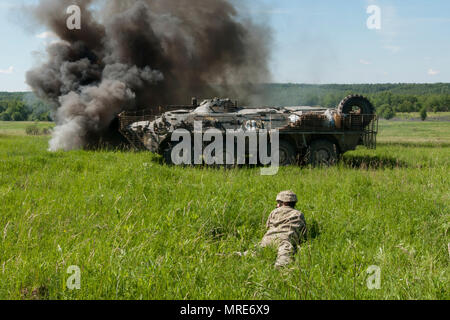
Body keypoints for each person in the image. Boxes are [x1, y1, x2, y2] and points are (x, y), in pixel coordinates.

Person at [260, 191, 307, 268]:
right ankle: (281, 264)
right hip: (285, 239)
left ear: (282, 203)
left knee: (259, 249)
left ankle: (244, 254)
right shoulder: (298, 214)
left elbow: (267, 226)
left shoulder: (274, 212)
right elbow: (303, 232)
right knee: (285, 252)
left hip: (268, 237)